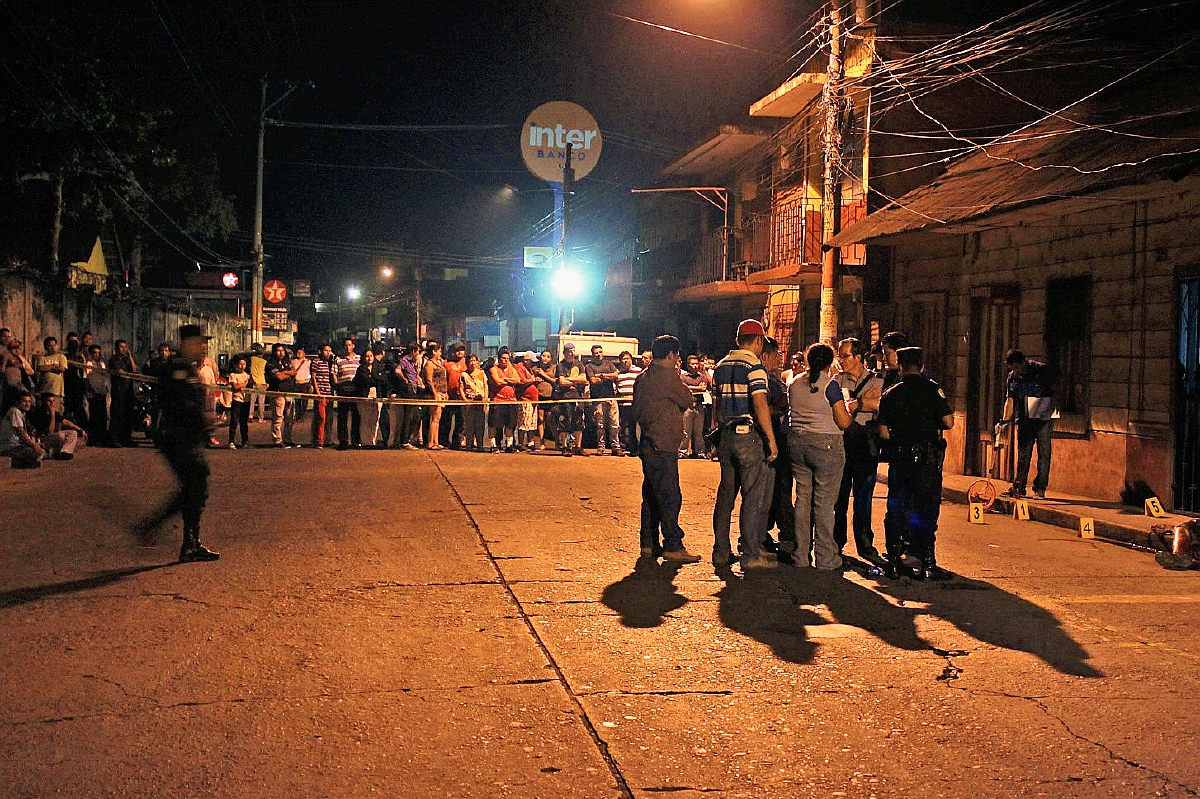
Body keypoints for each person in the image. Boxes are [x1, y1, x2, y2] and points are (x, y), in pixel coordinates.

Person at [134, 324, 220, 562]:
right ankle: (171, 533)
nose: (204, 347)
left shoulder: (188, 368)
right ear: (188, 343)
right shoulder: (173, 368)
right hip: (176, 436)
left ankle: (189, 542)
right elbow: (175, 404)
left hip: (187, 436)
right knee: (196, 486)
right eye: (201, 342)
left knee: (196, 486)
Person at [876, 346, 954, 580]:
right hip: (927, 460)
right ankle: (927, 562)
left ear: (900, 365)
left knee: (897, 508)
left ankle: (893, 561)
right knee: (926, 509)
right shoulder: (933, 390)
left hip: (900, 458)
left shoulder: (891, 393)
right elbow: (948, 422)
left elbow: (883, 431)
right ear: (921, 365)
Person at [711, 319, 779, 571]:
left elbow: (717, 407)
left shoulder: (720, 366)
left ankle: (720, 551)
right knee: (752, 496)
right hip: (747, 435)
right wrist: (770, 438)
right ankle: (750, 555)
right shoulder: (754, 365)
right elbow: (760, 403)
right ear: (759, 340)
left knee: (726, 495)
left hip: (726, 435)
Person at [631, 335, 702, 564]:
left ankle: (648, 544)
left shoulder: (643, 377)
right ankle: (673, 544)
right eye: (677, 356)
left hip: (647, 442)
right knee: (670, 496)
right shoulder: (667, 376)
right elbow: (688, 399)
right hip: (663, 444)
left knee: (651, 495)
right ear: (671, 355)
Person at [787, 343, 852, 571]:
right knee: (824, 504)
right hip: (826, 445)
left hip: (797, 443)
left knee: (802, 499)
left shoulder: (794, 383)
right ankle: (825, 558)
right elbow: (843, 421)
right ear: (830, 362)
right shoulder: (830, 385)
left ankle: (800, 556)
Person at [833, 337, 886, 568]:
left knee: (863, 497)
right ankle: (836, 544)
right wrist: (864, 402)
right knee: (840, 498)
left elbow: (879, 406)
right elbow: (835, 408)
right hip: (843, 442)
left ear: (858, 357)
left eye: (845, 355)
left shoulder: (877, 381)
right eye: (840, 355)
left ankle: (865, 543)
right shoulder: (836, 381)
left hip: (866, 443)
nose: (841, 360)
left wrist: (856, 404)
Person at [1001, 349, 1057, 499]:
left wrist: (1052, 410)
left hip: (1044, 417)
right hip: (1025, 418)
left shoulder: (1041, 370)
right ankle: (1019, 486)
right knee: (1023, 454)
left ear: (1023, 362)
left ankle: (1040, 488)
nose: (1017, 371)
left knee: (1044, 453)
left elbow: (1055, 391)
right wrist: (1005, 420)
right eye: (1013, 368)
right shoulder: (1012, 377)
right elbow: (1010, 400)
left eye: (1018, 367)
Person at [28, 391, 85, 460]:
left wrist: (79, 429)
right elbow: (50, 431)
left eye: (53, 401)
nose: (52, 403)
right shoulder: (39, 413)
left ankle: (65, 452)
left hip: (51, 437)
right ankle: (55, 452)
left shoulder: (53, 411)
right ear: (43, 402)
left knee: (73, 433)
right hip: (42, 438)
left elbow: (65, 421)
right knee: (60, 435)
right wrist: (52, 415)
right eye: (49, 401)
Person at [585, 345, 621, 455]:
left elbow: (616, 375)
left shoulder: (609, 364)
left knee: (614, 423)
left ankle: (616, 446)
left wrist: (601, 375)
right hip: (598, 400)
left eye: (600, 352)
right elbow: (593, 381)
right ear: (592, 354)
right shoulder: (589, 366)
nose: (599, 354)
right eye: (596, 353)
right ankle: (601, 447)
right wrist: (607, 378)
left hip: (611, 398)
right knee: (600, 425)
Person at [554, 343, 588, 455]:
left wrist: (569, 379)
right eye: (569, 351)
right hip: (565, 398)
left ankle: (578, 447)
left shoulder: (579, 364)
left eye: (573, 350)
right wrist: (575, 380)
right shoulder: (560, 365)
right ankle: (564, 447)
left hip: (578, 397)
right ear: (564, 353)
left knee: (579, 422)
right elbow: (562, 382)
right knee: (564, 423)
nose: (571, 353)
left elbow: (583, 378)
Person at [487, 347, 524, 452]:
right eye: (503, 358)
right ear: (499, 359)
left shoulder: (512, 369)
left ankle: (509, 445)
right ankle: (493, 445)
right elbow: (497, 381)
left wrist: (505, 379)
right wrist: (509, 380)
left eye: (507, 358)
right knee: (494, 424)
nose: (505, 360)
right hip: (497, 401)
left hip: (511, 401)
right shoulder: (493, 369)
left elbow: (517, 380)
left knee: (510, 424)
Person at [266, 343, 298, 448]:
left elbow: (294, 372)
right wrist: (288, 373)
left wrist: (285, 373)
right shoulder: (271, 363)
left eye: (282, 350)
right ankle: (277, 440)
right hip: (277, 393)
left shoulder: (287, 362)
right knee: (278, 417)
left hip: (289, 392)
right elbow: (278, 377)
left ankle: (288, 439)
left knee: (290, 418)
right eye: (278, 351)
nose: (280, 353)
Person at [0, 390, 43, 468]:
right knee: (32, 452)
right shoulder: (14, 411)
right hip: (10, 446)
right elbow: (21, 432)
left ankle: (22, 462)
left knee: (39, 450)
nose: (27, 404)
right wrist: (34, 446)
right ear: (17, 402)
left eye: (29, 401)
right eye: (24, 401)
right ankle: (17, 463)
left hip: (17, 445)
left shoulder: (22, 413)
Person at [355, 347, 388, 446]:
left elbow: (382, 380)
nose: (369, 358)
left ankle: (373, 441)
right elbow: (362, 381)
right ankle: (365, 441)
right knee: (365, 419)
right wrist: (372, 379)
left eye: (371, 356)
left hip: (376, 395)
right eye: (367, 356)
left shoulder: (379, 367)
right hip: (364, 395)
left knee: (375, 420)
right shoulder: (361, 369)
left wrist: (373, 378)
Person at [108, 340, 139, 447]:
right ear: (116, 348)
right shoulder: (113, 360)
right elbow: (120, 372)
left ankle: (126, 438)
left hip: (129, 391)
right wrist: (127, 373)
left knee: (128, 415)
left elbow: (134, 370)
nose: (124, 349)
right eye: (121, 347)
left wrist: (130, 357)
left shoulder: (127, 360)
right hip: (118, 391)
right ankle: (115, 439)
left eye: (125, 347)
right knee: (117, 415)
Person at [679, 354, 710, 458]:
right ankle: (682, 452)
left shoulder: (702, 376)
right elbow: (683, 389)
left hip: (699, 406)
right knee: (685, 431)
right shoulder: (683, 377)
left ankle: (699, 452)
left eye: (696, 363)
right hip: (687, 406)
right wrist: (696, 388)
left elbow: (704, 388)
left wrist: (690, 388)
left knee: (698, 431)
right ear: (688, 365)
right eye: (692, 364)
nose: (695, 366)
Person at [83, 344, 113, 447]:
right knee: (94, 416)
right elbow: (86, 378)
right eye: (94, 353)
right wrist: (92, 391)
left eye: (98, 353)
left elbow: (104, 377)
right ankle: (94, 439)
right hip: (92, 393)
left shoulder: (102, 363)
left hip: (102, 393)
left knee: (103, 416)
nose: (97, 355)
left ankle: (102, 438)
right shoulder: (88, 363)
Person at [334, 338, 361, 449]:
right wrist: (338, 386)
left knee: (356, 416)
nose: (347, 347)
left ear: (353, 346)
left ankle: (355, 440)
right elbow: (334, 374)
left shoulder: (359, 359)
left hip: (355, 390)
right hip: (343, 390)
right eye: (346, 345)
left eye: (349, 345)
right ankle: (343, 441)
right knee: (342, 416)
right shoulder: (338, 359)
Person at [421, 341, 448, 450]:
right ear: (434, 352)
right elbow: (429, 380)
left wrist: (444, 392)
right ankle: (431, 442)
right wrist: (435, 393)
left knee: (438, 418)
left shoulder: (438, 363)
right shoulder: (429, 364)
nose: (440, 353)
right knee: (434, 418)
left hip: (441, 393)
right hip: (433, 394)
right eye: (439, 351)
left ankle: (436, 442)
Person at [459, 353, 488, 451]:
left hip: (480, 401)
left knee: (480, 424)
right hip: (469, 400)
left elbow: (485, 386)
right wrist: (465, 400)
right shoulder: (464, 374)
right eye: (470, 361)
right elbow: (461, 388)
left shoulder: (482, 373)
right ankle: (469, 444)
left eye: (474, 361)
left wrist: (485, 398)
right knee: (469, 424)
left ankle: (480, 445)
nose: (472, 363)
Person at [310, 344, 336, 449]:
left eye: (330, 350)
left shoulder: (329, 362)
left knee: (329, 418)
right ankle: (318, 441)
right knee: (321, 418)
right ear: (320, 351)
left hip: (329, 393)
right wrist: (317, 392)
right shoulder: (316, 361)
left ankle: (327, 440)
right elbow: (313, 377)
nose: (328, 352)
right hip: (321, 393)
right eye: (326, 350)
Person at [442, 342, 468, 448]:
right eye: (457, 350)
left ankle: (457, 442)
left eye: (461, 350)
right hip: (449, 396)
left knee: (461, 421)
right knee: (446, 420)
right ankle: (443, 440)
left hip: (462, 396)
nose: (459, 352)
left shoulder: (467, 362)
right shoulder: (446, 363)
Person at [531, 349, 558, 451]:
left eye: (548, 356)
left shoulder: (554, 368)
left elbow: (556, 381)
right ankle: (542, 443)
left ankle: (557, 442)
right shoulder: (535, 369)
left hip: (550, 397)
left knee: (551, 420)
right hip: (539, 397)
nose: (545, 358)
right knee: (540, 420)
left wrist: (543, 375)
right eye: (544, 356)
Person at [615, 350, 641, 456]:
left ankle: (634, 449)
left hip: (634, 405)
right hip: (622, 405)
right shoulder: (618, 374)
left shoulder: (638, 371)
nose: (625, 361)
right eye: (622, 360)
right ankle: (623, 446)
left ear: (631, 360)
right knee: (622, 426)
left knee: (633, 427)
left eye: (627, 359)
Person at [32, 336, 67, 414]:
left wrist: (48, 368)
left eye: (54, 345)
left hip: (57, 392)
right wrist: (54, 367)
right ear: (45, 347)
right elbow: (40, 368)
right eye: (50, 346)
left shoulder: (61, 357)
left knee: (58, 415)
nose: (52, 348)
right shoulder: (43, 358)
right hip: (45, 391)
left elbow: (61, 368)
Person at [225, 356, 254, 448]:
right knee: (234, 421)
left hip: (246, 400)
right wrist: (244, 384)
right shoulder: (233, 375)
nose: (242, 366)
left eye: (244, 364)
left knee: (244, 422)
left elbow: (252, 386)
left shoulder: (248, 375)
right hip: (237, 400)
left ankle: (245, 441)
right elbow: (236, 387)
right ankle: (231, 441)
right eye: (240, 364)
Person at [248, 343, 268, 422]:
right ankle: (261, 418)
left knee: (252, 401)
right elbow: (266, 373)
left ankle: (250, 415)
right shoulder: (264, 362)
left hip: (254, 383)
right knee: (261, 402)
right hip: (262, 382)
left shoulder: (252, 359)